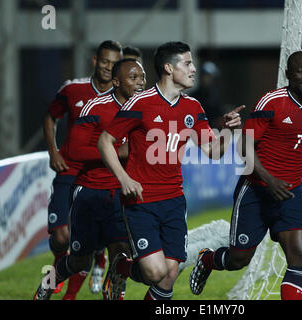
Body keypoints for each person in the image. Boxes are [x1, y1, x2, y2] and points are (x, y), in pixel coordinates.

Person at [97, 41, 244, 300]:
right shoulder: (141, 103)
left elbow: (214, 151)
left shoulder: (193, 108)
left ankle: (124, 268)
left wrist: (228, 130)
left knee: (170, 274)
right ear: (168, 67)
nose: (193, 69)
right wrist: (124, 178)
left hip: (174, 201)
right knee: (155, 272)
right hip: (141, 202)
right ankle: (120, 266)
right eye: (187, 63)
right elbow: (105, 141)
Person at [189, 50, 302, 300]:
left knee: (300, 255)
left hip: (290, 194)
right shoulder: (272, 102)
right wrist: (269, 180)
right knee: (238, 259)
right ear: (288, 74)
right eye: (301, 70)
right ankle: (209, 259)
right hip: (254, 190)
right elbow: (243, 145)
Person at [33, 58, 146, 300]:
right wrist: (119, 152)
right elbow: (75, 151)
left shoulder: (147, 109)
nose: (140, 83)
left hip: (122, 196)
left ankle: (112, 292)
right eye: (133, 78)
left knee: (122, 254)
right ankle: (48, 282)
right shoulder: (95, 107)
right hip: (91, 193)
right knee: (77, 261)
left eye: (143, 77)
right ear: (116, 81)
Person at [41, 40, 123, 299]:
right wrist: (53, 151)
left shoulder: (125, 99)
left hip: (102, 178)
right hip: (69, 170)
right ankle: (59, 266)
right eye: (106, 62)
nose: (109, 68)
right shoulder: (73, 90)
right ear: (95, 61)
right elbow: (50, 116)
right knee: (61, 238)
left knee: (90, 245)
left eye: (114, 64)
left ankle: (70, 293)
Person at [190, 61, 226, 129]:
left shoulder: (215, 96)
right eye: (205, 76)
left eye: (210, 76)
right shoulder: (194, 96)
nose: (207, 79)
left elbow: (218, 117)